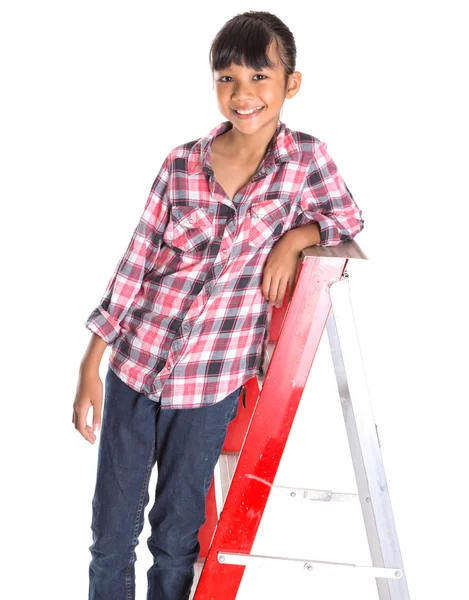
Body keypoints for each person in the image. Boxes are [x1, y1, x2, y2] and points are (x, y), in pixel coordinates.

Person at [73, 10, 365, 600]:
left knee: (177, 538)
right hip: (135, 368)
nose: (243, 93)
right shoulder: (181, 164)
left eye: (260, 76)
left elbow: (348, 220)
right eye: (226, 78)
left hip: (212, 383)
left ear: (292, 83)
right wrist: (90, 365)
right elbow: (136, 264)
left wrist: (294, 238)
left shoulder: (307, 161)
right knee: (110, 538)